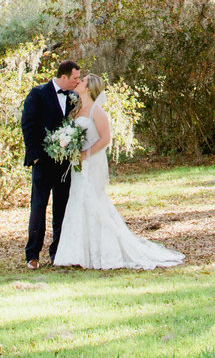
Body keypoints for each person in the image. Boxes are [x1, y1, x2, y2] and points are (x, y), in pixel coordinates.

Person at [54, 73, 184, 270]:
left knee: (93, 201)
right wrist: (70, 148)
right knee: (77, 200)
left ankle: (104, 252)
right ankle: (78, 254)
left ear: (89, 88)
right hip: (79, 165)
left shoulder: (97, 112)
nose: (78, 82)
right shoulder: (78, 109)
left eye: (83, 81)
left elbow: (105, 139)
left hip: (92, 162)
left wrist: (84, 154)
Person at [21, 58, 83, 269]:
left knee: (62, 208)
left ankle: (58, 252)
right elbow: (27, 125)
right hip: (43, 162)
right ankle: (32, 254)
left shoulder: (74, 97)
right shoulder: (38, 93)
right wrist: (35, 156)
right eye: (75, 78)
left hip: (64, 165)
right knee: (38, 207)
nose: (78, 81)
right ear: (63, 77)